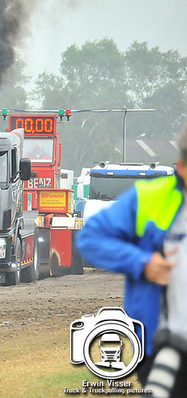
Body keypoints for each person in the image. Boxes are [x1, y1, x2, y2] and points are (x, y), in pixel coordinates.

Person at [76, 121, 187, 397]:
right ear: (181, 166)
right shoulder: (151, 198)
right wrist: (143, 263)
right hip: (164, 345)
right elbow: (90, 239)